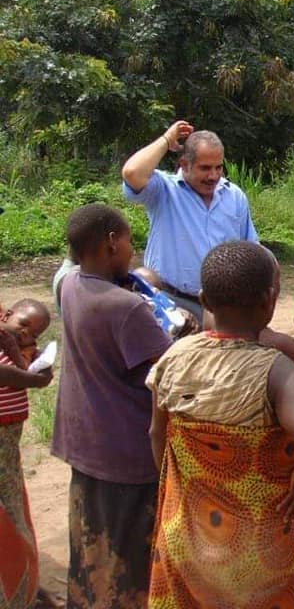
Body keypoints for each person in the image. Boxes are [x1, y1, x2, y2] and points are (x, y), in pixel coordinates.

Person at [146, 240, 294, 609]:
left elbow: (157, 435)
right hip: (257, 552)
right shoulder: (276, 371)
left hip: (187, 537)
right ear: (270, 301)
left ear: (204, 300)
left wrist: (188, 492)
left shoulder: (172, 358)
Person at [51, 204, 174, 606]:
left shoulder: (70, 285)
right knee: (129, 560)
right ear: (110, 242)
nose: (131, 253)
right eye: (129, 243)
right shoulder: (126, 308)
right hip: (126, 452)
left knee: (89, 547)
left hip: (85, 442)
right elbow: (171, 368)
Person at [121, 119, 257, 319]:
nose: (213, 175)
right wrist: (167, 140)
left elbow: (251, 248)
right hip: (172, 305)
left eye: (218, 167)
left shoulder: (234, 195)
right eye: (205, 168)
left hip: (222, 309)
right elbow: (132, 173)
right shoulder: (164, 190)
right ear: (184, 165)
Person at [0, 299, 53, 609]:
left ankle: (20, 589)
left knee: (11, 508)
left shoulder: (15, 335)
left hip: (9, 436)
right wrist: (31, 379)